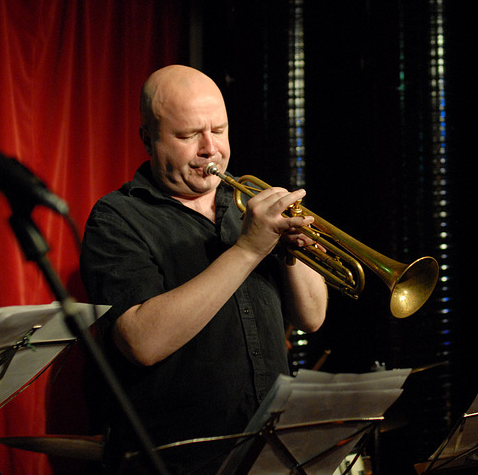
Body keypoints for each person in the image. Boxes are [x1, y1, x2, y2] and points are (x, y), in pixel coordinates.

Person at [80, 64, 328, 474]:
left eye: (219, 129)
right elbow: (141, 341)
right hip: (179, 462)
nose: (210, 149)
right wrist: (248, 249)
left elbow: (313, 317)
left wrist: (291, 255)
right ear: (147, 139)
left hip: (272, 454)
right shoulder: (117, 218)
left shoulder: (249, 206)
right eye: (187, 135)